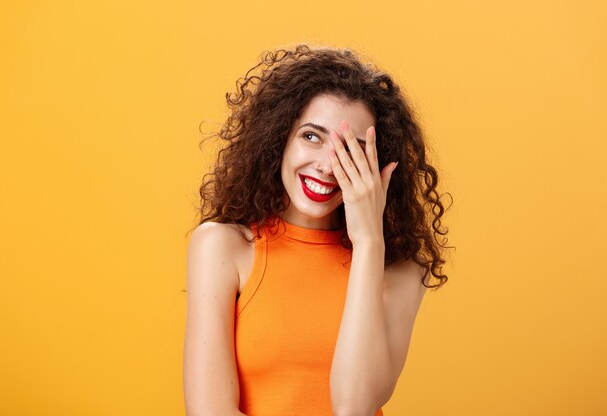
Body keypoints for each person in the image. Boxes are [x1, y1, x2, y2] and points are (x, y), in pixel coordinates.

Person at [183, 44, 452, 416]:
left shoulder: (402, 270)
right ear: (280, 139)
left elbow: (355, 407)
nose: (327, 166)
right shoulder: (223, 248)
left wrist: (369, 242)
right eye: (312, 136)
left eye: (352, 150)